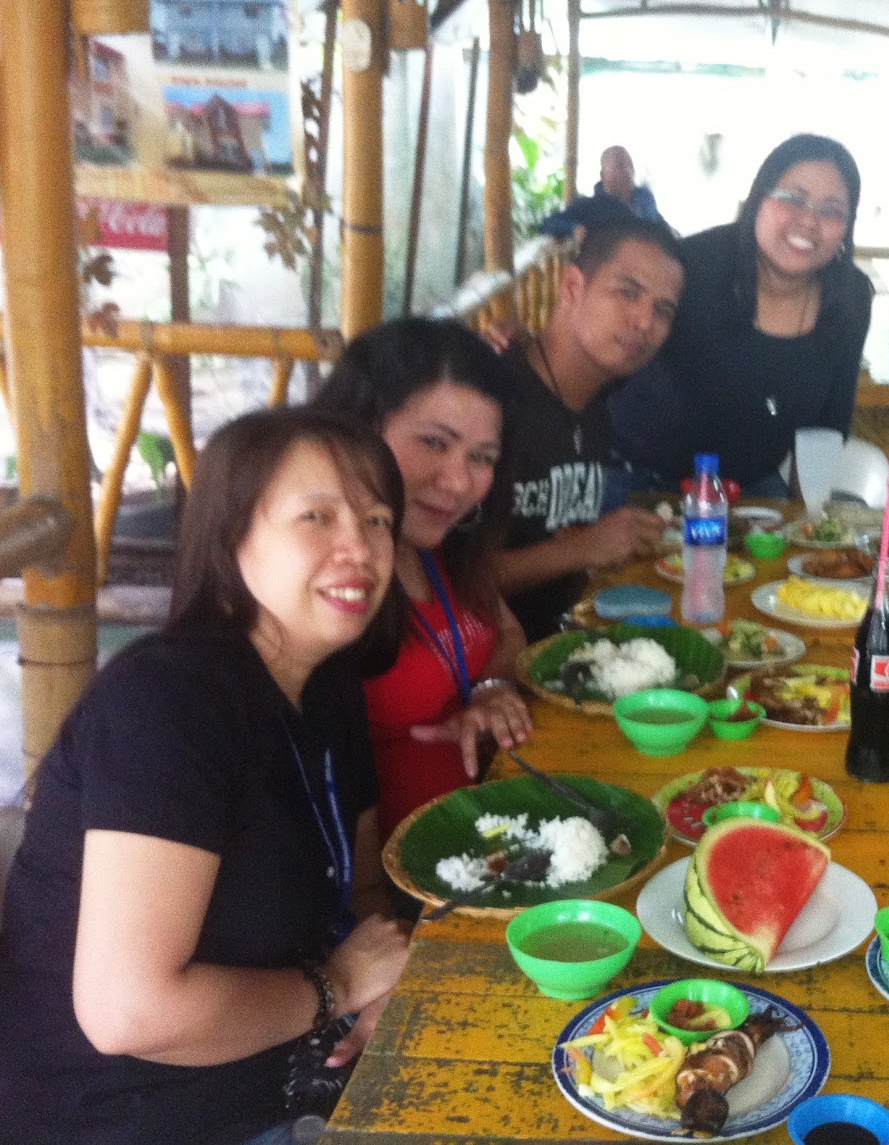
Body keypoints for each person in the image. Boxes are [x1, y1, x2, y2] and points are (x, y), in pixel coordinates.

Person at [0, 408, 412, 1144]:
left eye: (378, 520)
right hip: (128, 1122)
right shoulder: (167, 704)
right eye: (316, 516)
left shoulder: (328, 687)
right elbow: (129, 1011)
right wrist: (341, 985)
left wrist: (387, 982)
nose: (360, 547)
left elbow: (361, 891)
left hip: (287, 1079)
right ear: (230, 536)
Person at [314, 318, 534, 840]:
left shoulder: (442, 547)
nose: (457, 482)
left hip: (491, 840)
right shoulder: (326, 579)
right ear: (362, 428)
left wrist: (490, 690)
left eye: (482, 458)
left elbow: (508, 631)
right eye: (435, 442)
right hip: (397, 873)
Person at [607, 133, 874, 496]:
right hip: (638, 481)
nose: (809, 221)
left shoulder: (850, 298)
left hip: (748, 490)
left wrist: (805, 519)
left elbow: (826, 429)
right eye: (793, 199)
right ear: (758, 199)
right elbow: (609, 344)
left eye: (831, 210)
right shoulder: (691, 267)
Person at [493, 217, 685, 640]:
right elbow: (442, 585)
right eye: (628, 292)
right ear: (572, 287)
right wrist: (581, 548)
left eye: (663, 310)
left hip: (566, 641)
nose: (645, 322)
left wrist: (592, 545)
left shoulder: (596, 406)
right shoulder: (492, 400)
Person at [539, 145, 671, 240]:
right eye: (620, 166)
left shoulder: (645, 199)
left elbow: (660, 227)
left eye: (630, 165)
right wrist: (574, 229)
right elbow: (548, 224)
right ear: (603, 175)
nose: (627, 171)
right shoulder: (590, 206)